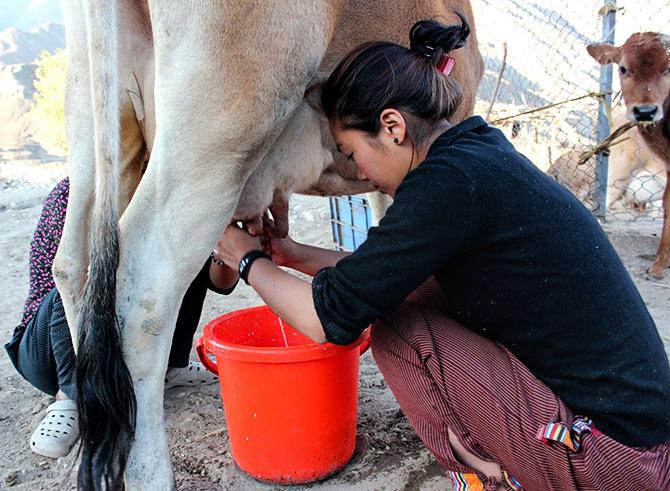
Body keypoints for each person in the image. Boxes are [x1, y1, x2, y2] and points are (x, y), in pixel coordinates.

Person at [214, 17, 670, 491]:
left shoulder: (447, 187)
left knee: (398, 327)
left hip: (617, 462)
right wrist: (287, 253)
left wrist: (245, 258)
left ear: (391, 127)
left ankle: (484, 477)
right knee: (410, 290)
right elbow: (379, 273)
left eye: (350, 154)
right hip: (642, 442)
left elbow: (327, 318)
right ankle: (502, 457)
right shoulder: (471, 155)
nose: (359, 173)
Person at [5, 178, 239, 459]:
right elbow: (65, 281)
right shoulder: (74, 193)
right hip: (46, 350)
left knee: (184, 257)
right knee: (82, 276)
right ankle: (70, 398)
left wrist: (222, 242)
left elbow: (222, 284)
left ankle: (172, 365)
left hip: (115, 346)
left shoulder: (166, 190)